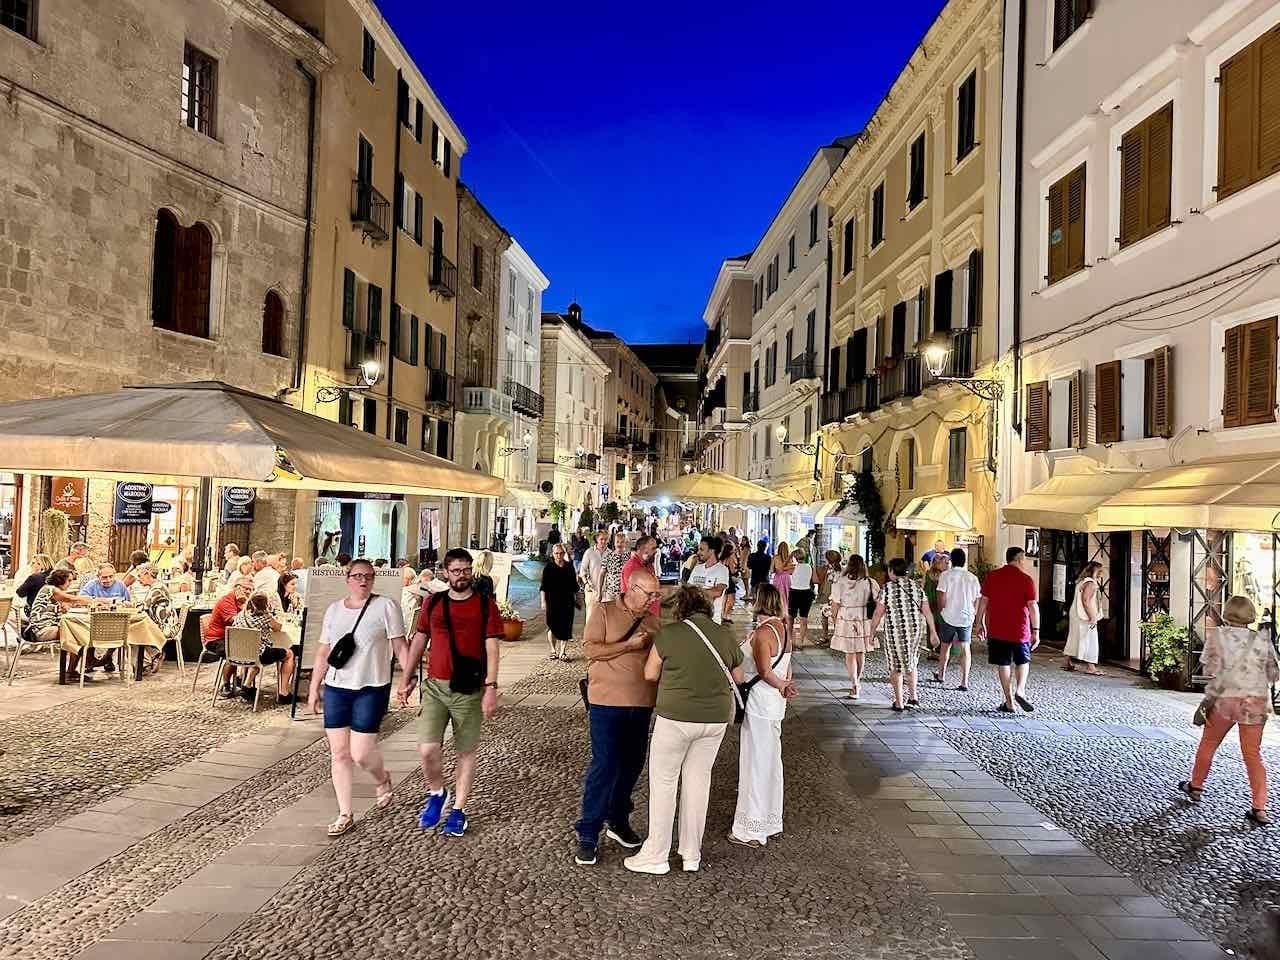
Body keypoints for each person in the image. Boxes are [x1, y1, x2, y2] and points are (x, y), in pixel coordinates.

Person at [624, 586, 744, 875]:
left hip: (675, 718)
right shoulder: (724, 635)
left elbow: (650, 673)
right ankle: (692, 855)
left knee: (665, 783)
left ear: (680, 608)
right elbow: (738, 677)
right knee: (698, 782)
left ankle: (656, 854)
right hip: (714, 721)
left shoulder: (670, 634)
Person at [400, 548, 503, 839]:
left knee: (465, 751)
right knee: (427, 748)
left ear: (472, 570)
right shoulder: (433, 603)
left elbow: (492, 647)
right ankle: (436, 791)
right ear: (446, 572)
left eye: (466, 570)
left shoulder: (485, 605)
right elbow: (420, 640)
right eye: (456, 571)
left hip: (469, 689)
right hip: (435, 686)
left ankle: (458, 810)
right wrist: (405, 678)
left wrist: (491, 687)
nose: (462, 576)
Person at [307, 559, 407, 836]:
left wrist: (407, 679)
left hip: (372, 686)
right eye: (358, 576)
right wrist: (314, 687)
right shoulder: (334, 611)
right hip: (337, 687)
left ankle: (382, 778)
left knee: (361, 753)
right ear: (347, 578)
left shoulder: (386, 606)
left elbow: (400, 646)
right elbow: (324, 651)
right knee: (339, 753)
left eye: (369, 576)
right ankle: (345, 813)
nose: (364, 581)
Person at [574, 567, 663, 866]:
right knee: (605, 764)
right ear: (631, 587)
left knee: (633, 765)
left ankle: (618, 819)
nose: (653, 599)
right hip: (606, 702)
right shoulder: (604, 611)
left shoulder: (653, 620)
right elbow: (590, 650)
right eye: (649, 593)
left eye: (655, 594)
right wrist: (628, 645)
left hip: (641, 703)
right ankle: (588, 832)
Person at [1180, 595, 1279, 826]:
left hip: (1225, 700)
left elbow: (1208, 667)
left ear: (1228, 612)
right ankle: (1259, 807)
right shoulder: (1261, 640)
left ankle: (1195, 786)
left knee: (1208, 744)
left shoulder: (1218, 636)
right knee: (1252, 754)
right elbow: (1275, 674)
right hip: (1255, 701)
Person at [730, 584, 797, 847]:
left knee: (755, 763)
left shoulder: (762, 633)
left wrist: (780, 685)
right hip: (775, 706)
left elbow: (764, 671)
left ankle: (751, 829)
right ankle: (771, 820)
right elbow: (786, 668)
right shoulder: (784, 629)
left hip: (759, 705)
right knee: (770, 761)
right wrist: (785, 684)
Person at [868, 558, 939, 712]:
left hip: (895, 632)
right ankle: (913, 698)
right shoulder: (917, 588)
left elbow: (877, 614)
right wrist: (933, 632)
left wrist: (871, 634)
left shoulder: (887, 588)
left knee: (895, 666)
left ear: (892, 571)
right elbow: (927, 612)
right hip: (914, 632)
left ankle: (899, 701)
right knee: (911, 662)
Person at [974, 546, 1040, 713]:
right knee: (1022, 661)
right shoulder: (1027, 579)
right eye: (1024, 559)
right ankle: (1020, 690)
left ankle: (1009, 701)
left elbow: (983, 601)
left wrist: (979, 622)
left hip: (996, 628)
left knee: (1003, 663)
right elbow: (1033, 607)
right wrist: (1036, 630)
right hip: (1020, 629)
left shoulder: (992, 576)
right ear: (1019, 559)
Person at [27, 569, 94, 679]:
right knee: (78, 634)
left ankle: (75, 668)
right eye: (69, 581)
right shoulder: (50, 589)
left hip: (48, 627)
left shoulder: (53, 591)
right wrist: (96, 601)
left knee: (79, 632)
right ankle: (76, 668)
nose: (70, 584)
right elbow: (73, 599)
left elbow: (66, 605)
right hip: (40, 630)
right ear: (60, 580)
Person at [829, 554, 880, 699]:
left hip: (846, 617)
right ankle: (857, 680)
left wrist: (834, 619)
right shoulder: (870, 582)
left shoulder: (840, 582)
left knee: (849, 653)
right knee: (860, 652)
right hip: (863, 618)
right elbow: (878, 602)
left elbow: (835, 604)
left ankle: (854, 684)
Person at [231, 592, 296, 705]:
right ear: (265, 605)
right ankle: (284, 693)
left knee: (255, 655)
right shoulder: (266, 618)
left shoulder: (241, 614)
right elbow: (278, 628)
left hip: (238, 652)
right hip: (258, 654)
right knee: (289, 654)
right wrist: (270, 614)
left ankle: (246, 686)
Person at [934, 547, 980, 690]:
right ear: (964, 561)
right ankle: (964, 681)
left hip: (948, 616)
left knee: (945, 646)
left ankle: (941, 674)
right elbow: (977, 599)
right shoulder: (972, 577)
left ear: (952, 560)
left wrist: (942, 610)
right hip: (966, 617)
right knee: (965, 647)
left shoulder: (945, 576)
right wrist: (974, 613)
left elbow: (941, 596)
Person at [204, 577, 253, 697]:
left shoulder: (244, 601)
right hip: (216, 639)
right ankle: (225, 684)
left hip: (234, 637)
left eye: (251, 589)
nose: (248, 592)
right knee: (235, 651)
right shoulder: (226, 601)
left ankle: (244, 682)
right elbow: (236, 622)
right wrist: (246, 605)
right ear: (237, 588)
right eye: (245, 588)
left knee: (253, 648)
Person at [1063, 561, 1105, 675]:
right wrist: (1092, 616)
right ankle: (1091, 667)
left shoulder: (1081, 581)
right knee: (1091, 639)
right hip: (1085, 615)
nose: (1102, 573)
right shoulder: (1091, 583)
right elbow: (1086, 600)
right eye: (1100, 571)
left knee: (1074, 636)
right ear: (1096, 572)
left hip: (1076, 613)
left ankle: (1067, 661)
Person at [541, 542, 579, 661]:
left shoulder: (569, 567)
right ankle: (553, 650)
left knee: (566, 627)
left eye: (561, 553)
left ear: (564, 554)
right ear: (553, 554)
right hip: (552, 601)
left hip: (567, 601)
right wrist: (543, 601)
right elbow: (543, 587)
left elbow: (575, 586)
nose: (559, 555)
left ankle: (562, 651)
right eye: (556, 553)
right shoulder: (548, 568)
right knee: (552, 626)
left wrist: (578, 599)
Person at [687, 536, 730, 624]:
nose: (698, 552)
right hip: (693, 617)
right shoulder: (697, 568)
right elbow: (687, 590)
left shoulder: (722, 570)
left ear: (711, 551)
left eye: (701, 549)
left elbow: (717, 592)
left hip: (712, 620)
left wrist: (695, 593)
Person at [620, 535, 660, 618]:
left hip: (650, 617)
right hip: (640, 619)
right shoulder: (631, 567)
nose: (656, 551)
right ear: (642, 549)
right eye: (653, 548)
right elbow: (635, 598)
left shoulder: (648, 565)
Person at [579, 531, 608, 625]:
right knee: (591, 616)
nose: (603, 542)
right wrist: (586, 584)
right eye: (601, 539)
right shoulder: (589, 552)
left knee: (604, 618)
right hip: (592, 590)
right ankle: (589, 638)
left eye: (605, 539)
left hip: (606, 591)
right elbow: (582, 570)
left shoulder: (610, 553)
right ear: (597, 539)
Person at [788, 550, 815, 647]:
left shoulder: (793, 567)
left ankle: (790, 640)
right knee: (804, 619)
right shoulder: (809, 567)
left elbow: (783, 568)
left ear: (795, 557)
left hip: (794, 592)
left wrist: (789, 557)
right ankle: (801, 641)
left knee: (791, 618)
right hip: (806, 593)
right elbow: (815, 579)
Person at [600, 531, 629, 602]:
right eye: (617, 542)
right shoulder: (608, 556)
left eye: (622, 542)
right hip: (610, 594)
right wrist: (599, 592)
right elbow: (601, 575)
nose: (619, 544)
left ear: (625, 543)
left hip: (625, 594)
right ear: (614, 543)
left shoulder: (630, 557)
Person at [719, 538, 740, 623]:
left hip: (723, 579)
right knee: (731, 599)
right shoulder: (730, 559)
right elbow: (732, 571)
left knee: (724, 598)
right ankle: (727, 615)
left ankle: (722, 614)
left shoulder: (721, 559)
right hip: (729, 580)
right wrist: (738, 570)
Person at [771, 541, 794, 615]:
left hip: (778, 577)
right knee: (787, 595)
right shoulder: (790, 558)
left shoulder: (775, 557)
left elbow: (772, 570)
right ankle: (786, 612)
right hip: (787, 578)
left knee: (778, 595)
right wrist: (787, 568)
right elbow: (791, 571)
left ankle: (778, 611)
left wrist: (780, 568)